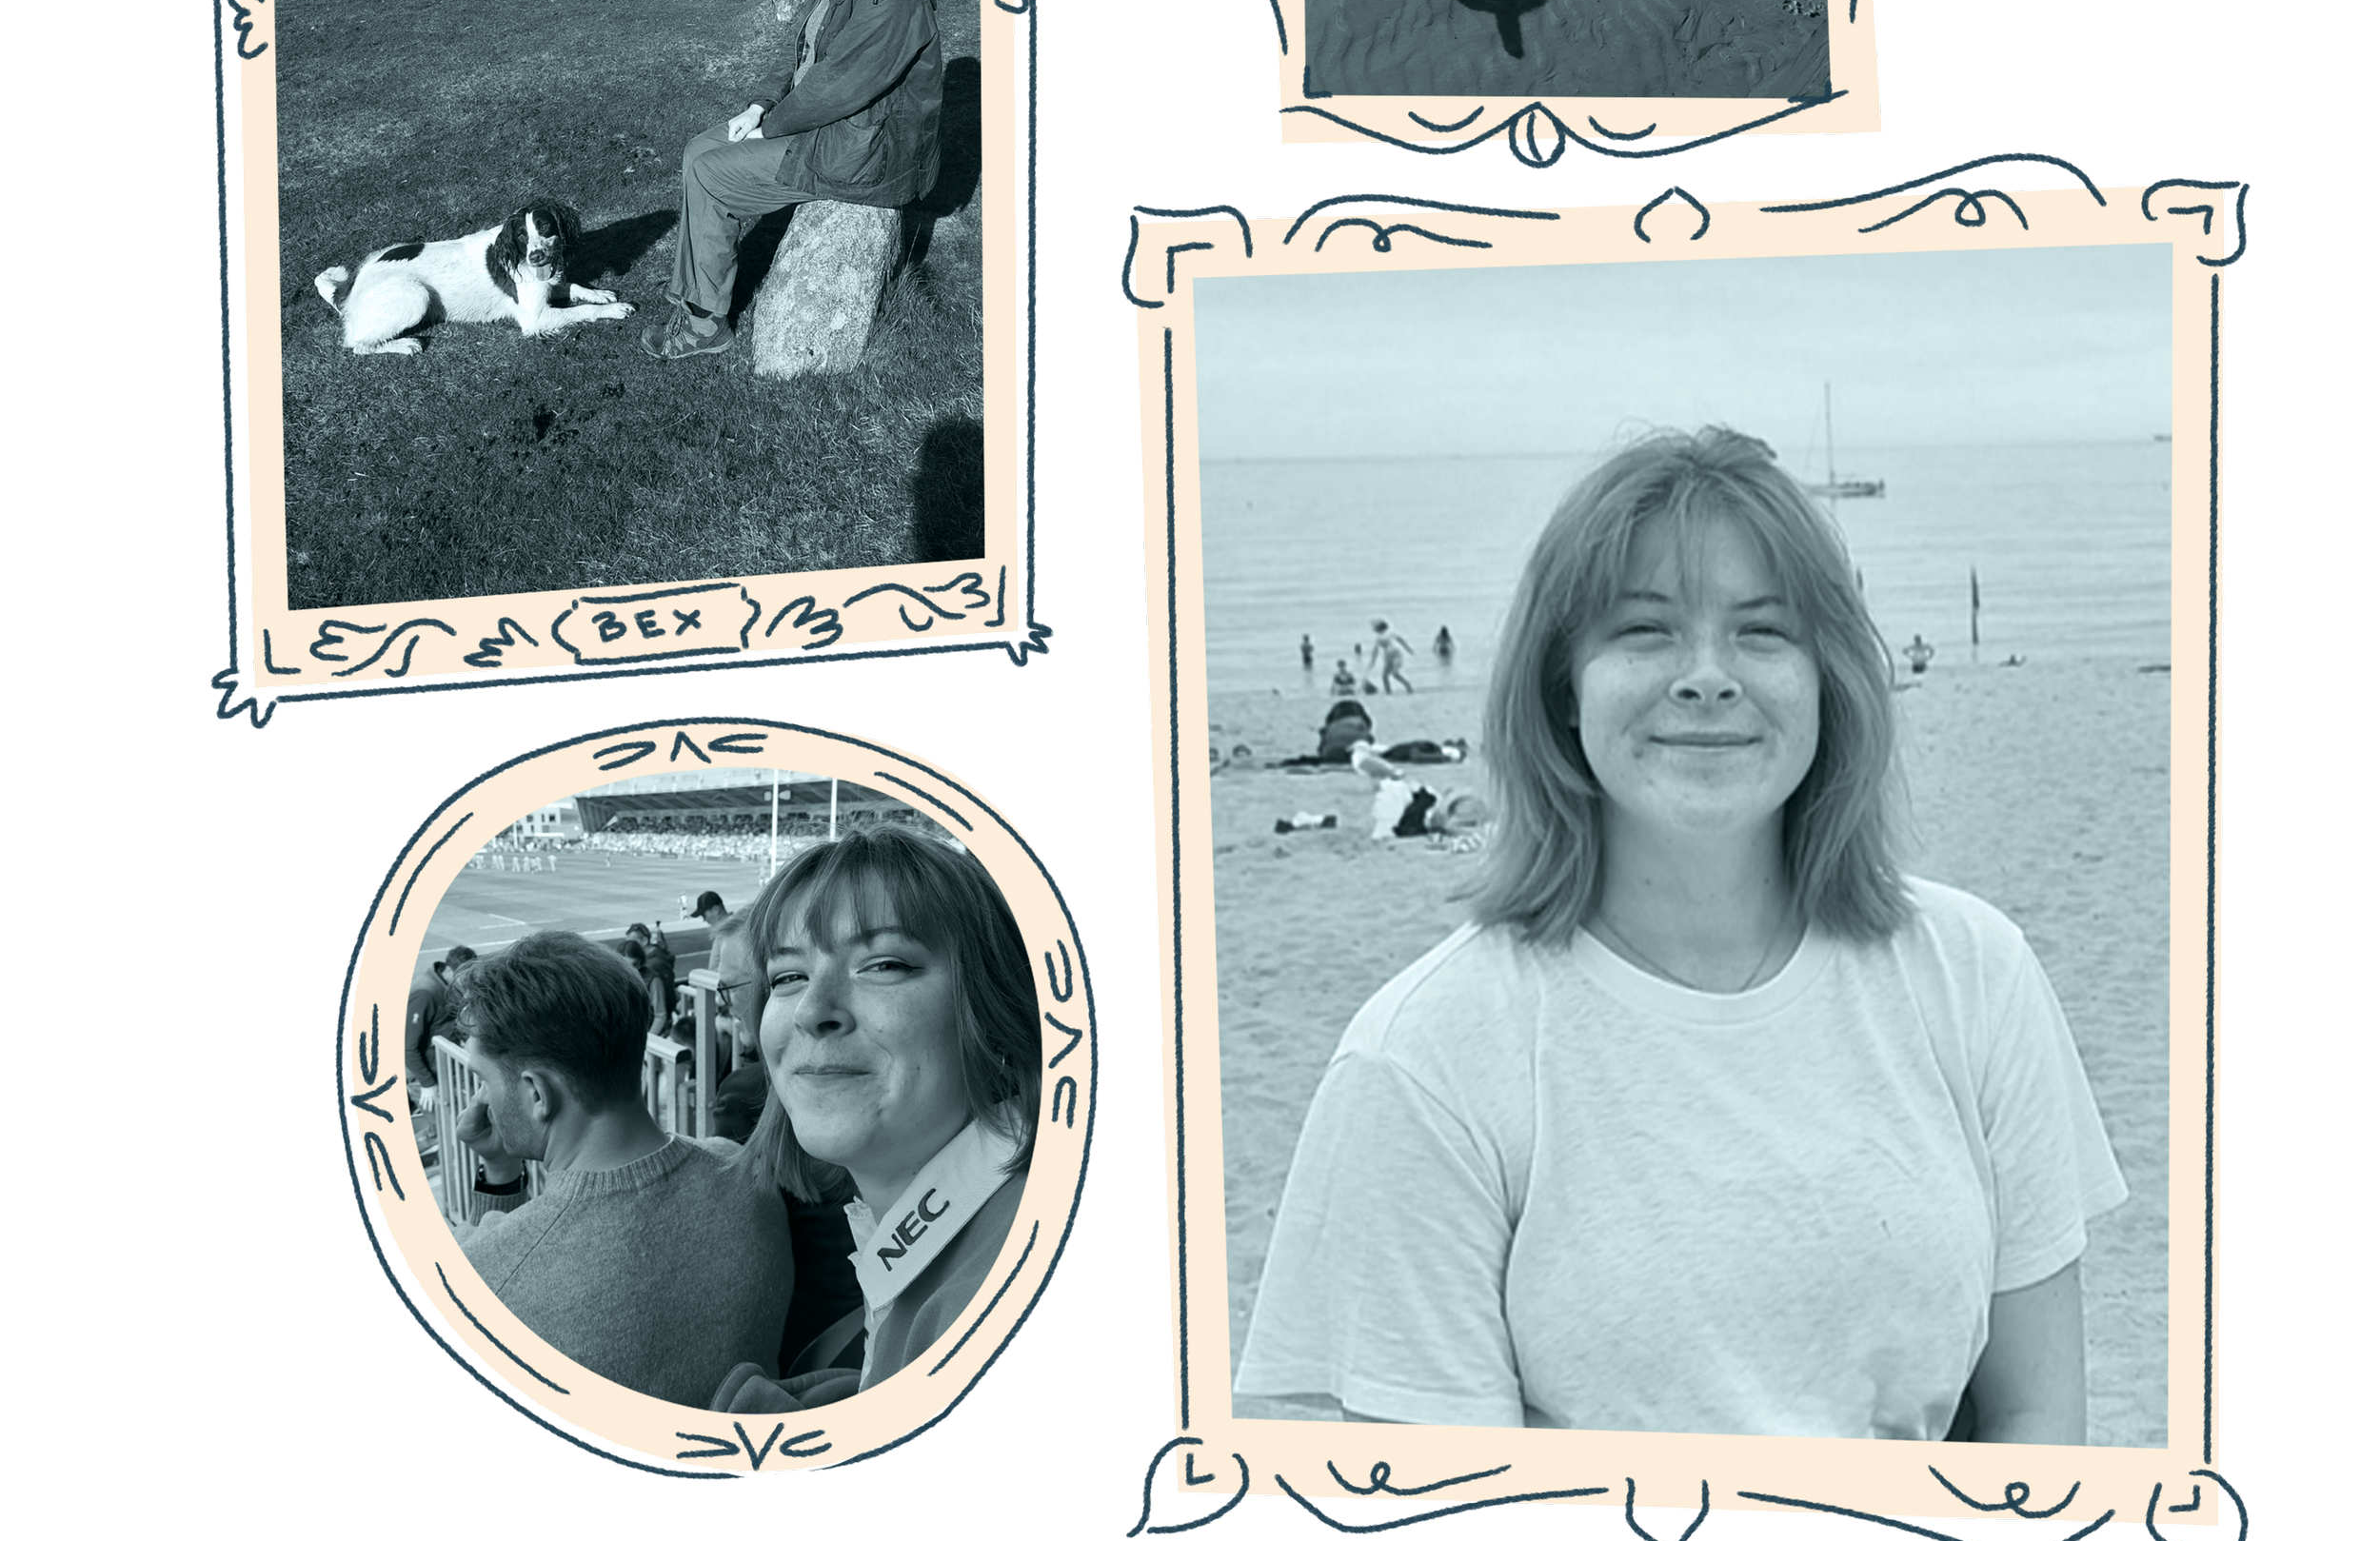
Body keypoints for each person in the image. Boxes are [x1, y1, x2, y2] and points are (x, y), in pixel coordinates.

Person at [1237, 425, 2126, 1442]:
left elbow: (2035, 1417)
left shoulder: (1975, 976)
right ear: (1562, 688)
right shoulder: (1424, 1058)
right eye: (1644, 630)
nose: (1706, 676)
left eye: (1762, 631)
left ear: (1829, 680)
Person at [707, 820, 1041, 1413]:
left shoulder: (996, 1296)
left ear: (995, 1011)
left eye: (883, 964)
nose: (812, 1009)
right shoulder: (965, 1230)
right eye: (787, 976)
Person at [446, 931, 792, 1404]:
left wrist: (497, 1178)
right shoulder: (747, 1172)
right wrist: (501, 1167)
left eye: (483, 1079)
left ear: (536, 1094)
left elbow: (510, 1257)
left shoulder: (484, 1280)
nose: (483, 1098)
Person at [646, 0, 944, 360]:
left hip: (867, 149)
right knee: (699, 149)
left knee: (711, 174)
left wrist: (773, 128)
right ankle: (697, 296)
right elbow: (798, 50)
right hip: (833, 126)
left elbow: (842, 85)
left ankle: (704, 324)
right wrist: (760, 106)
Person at [701, 909, 869, 1370]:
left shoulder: (746, 1094)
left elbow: (733, 1244)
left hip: (801, 1341)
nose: (724, 1002)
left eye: (730, 987)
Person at [405, 946, 476, 1111]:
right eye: (466, 978)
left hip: (447, 1067)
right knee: (443, 1128)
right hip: (429, 1075)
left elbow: (452, 1020)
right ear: (450, 971)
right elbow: (408, 1046)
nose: (469, 983)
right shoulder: (425, 993)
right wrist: (427, 1084)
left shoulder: (450, 985)